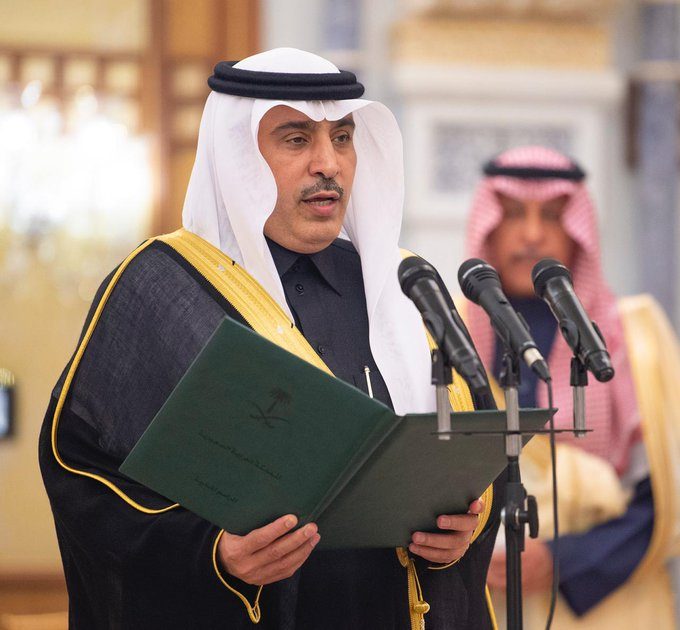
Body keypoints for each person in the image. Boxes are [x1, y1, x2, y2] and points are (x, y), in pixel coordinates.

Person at [39, 48, 503, 630]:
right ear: (238, 156)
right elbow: (81, 472)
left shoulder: (406, 286)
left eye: (342, 138)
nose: (328, 164)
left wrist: (461, 530)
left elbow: (478, 453)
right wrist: (214, 555)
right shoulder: (162, 289)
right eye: (296, 139)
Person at [461, 145, 680, 628]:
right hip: (482, 596)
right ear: (488, 226)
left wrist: (563, 561)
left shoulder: (632, 335)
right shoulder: (447, 334)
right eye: (513, 213)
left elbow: (665, 498)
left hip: (608, 605)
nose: (532, 234)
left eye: (552, 216)